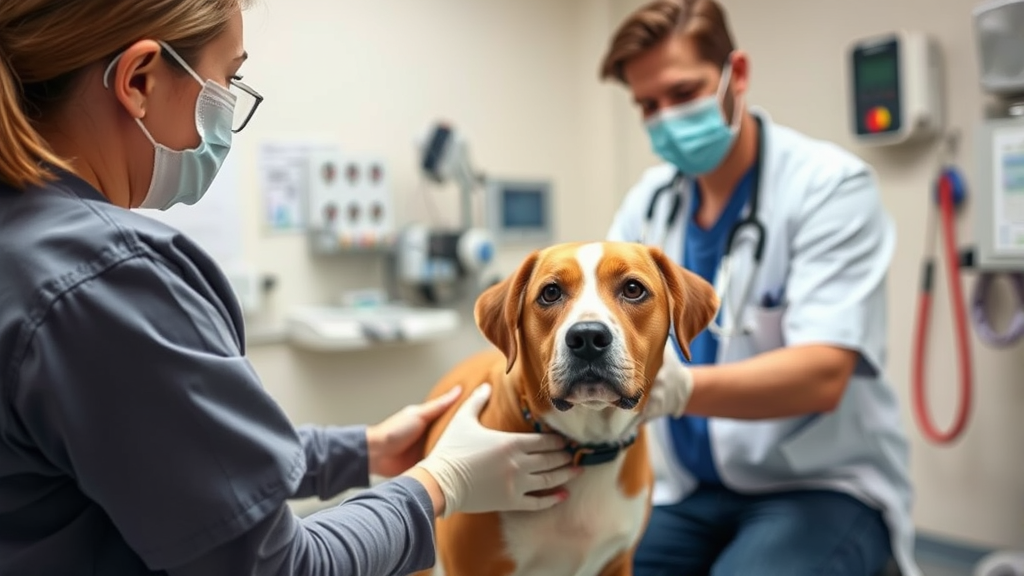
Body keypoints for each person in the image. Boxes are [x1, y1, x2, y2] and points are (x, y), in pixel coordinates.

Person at [0, 1, 581, 575]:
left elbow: (165, 456)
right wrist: (438, 484)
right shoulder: (109, 279)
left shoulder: (27, 241)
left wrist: (363, 452)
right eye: (228, 79)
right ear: (139, 80)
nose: (230, 107)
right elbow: (280, 567)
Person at [599, 1, 919, 575]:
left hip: (818, 485)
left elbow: (822, 374)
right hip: (689, 489)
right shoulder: (647, 206)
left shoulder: (828, 187)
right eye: (648, 105)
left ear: (737, 74)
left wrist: (672, 390)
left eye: (683, 93)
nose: (666, 118)